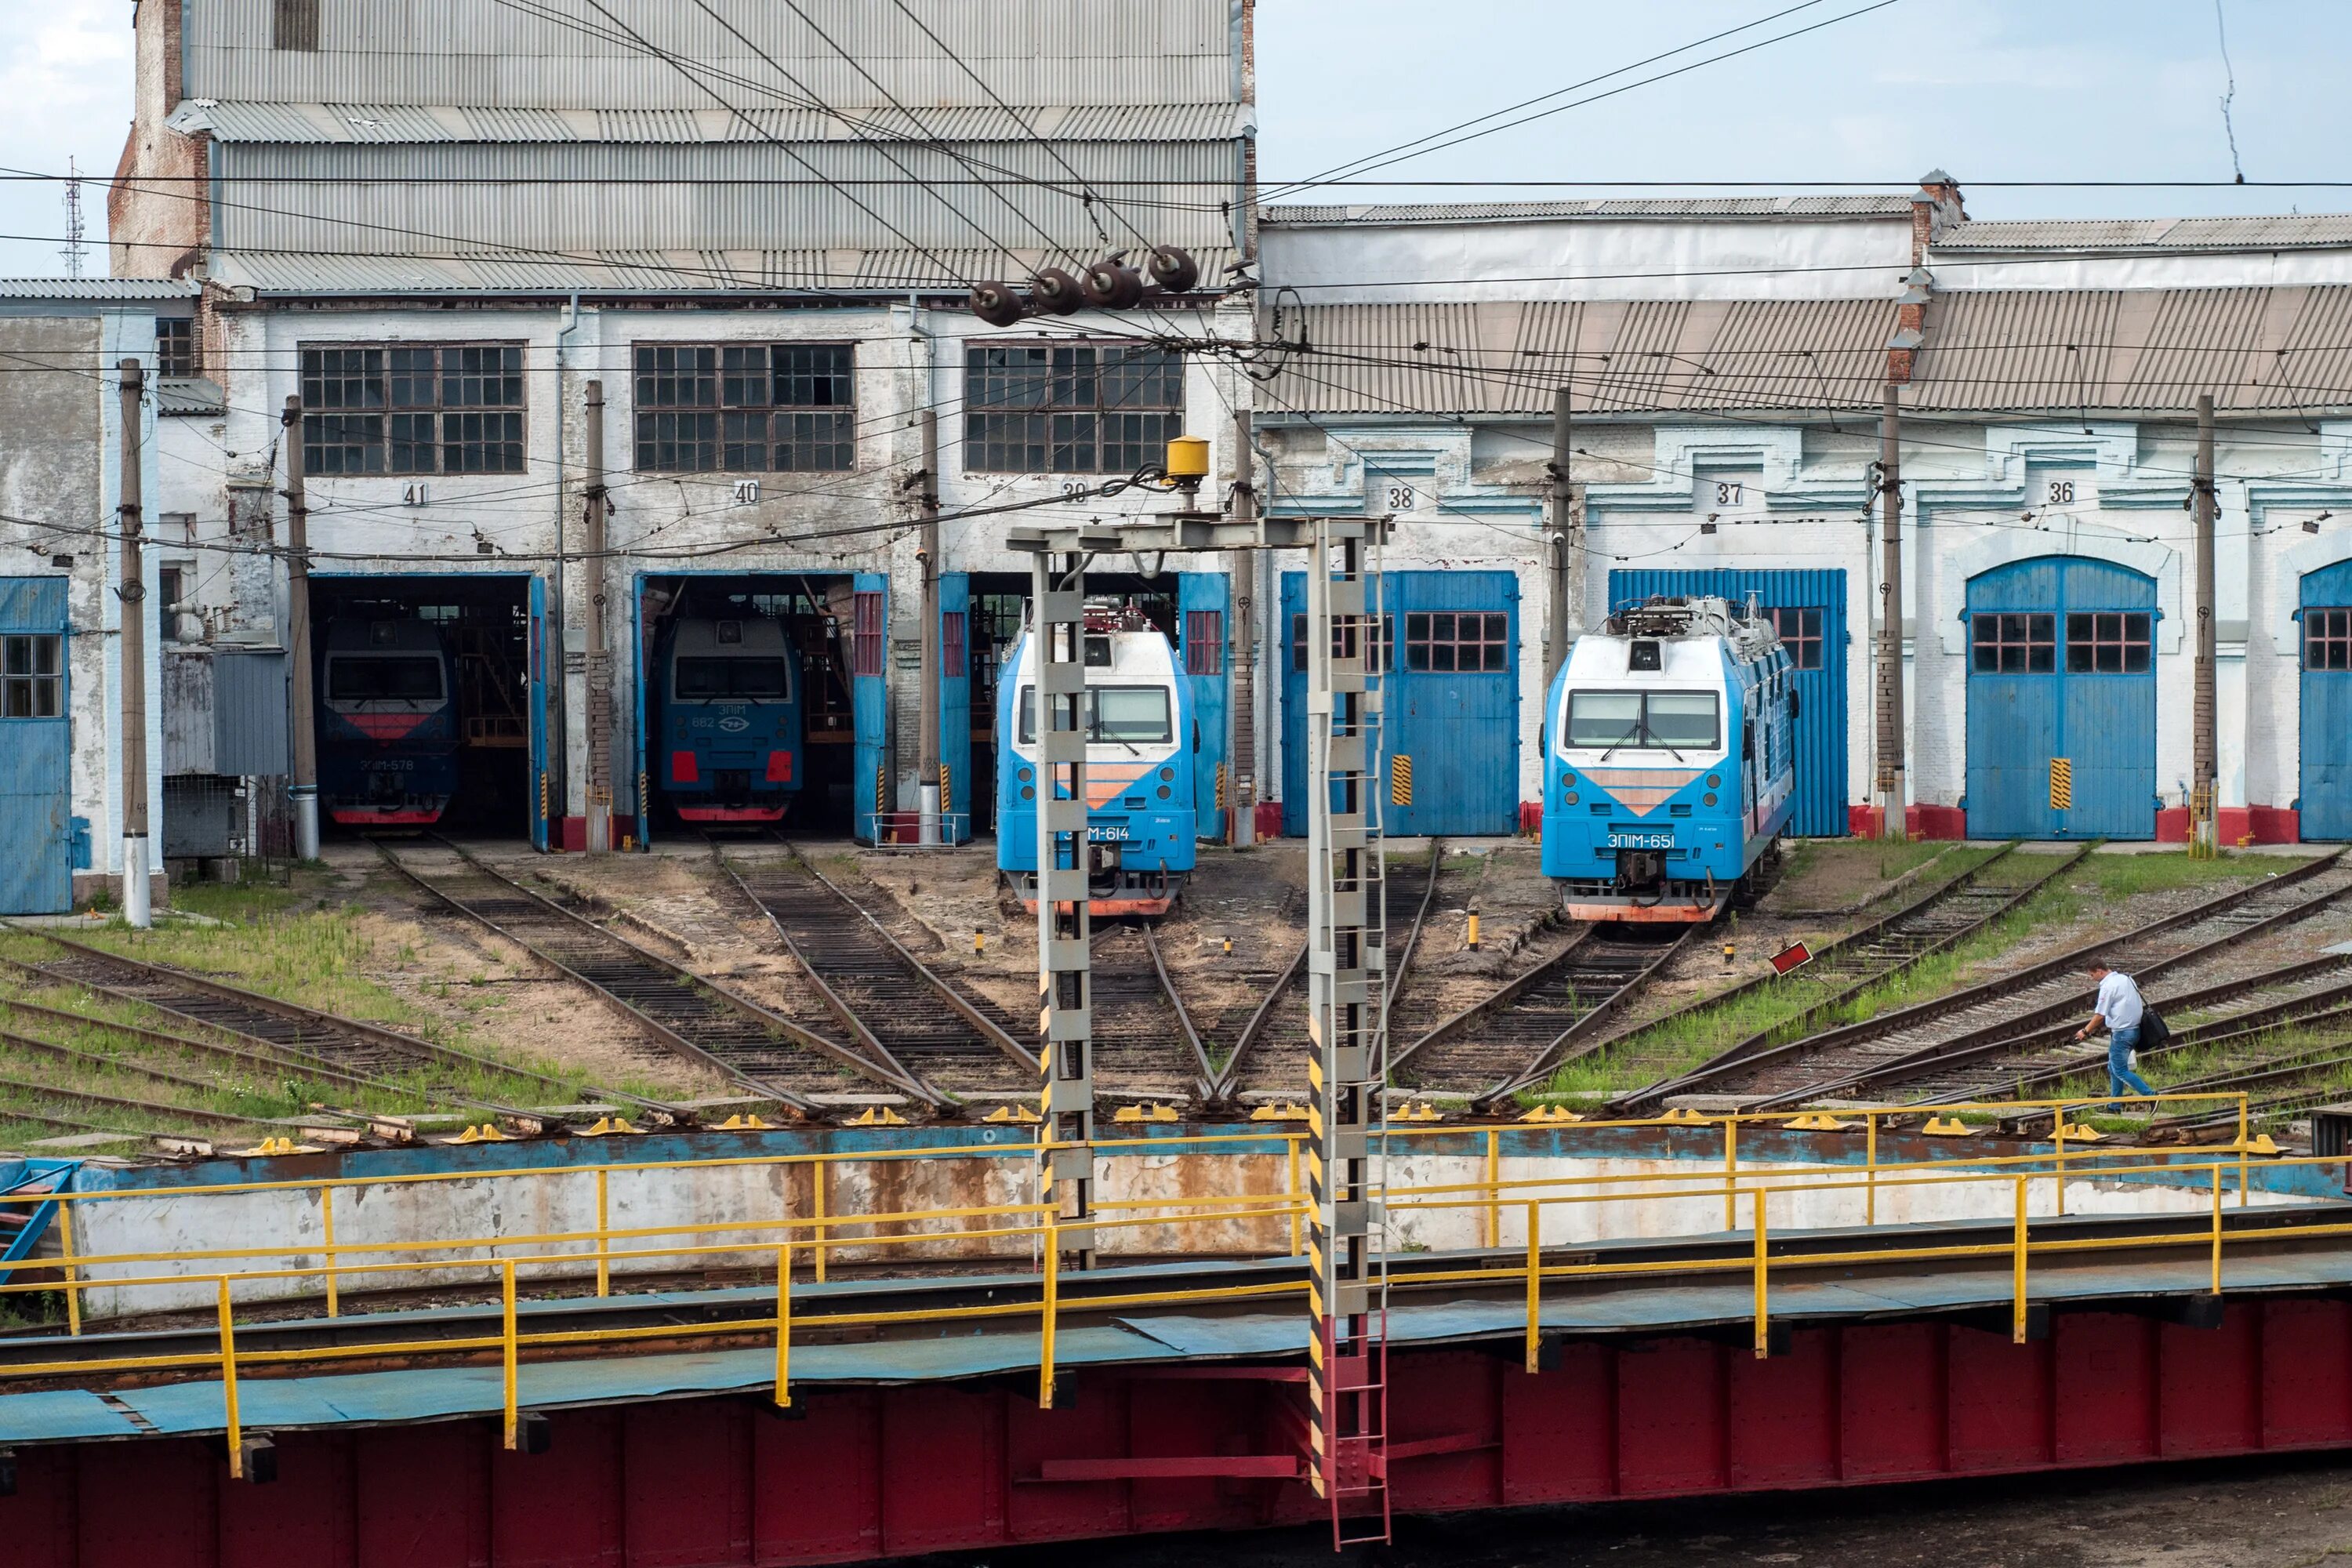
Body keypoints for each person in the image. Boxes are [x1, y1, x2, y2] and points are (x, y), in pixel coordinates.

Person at [2073, 957, 2155, 1108]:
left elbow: (2100, 1016)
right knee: (2113, 1068)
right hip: (2135, 1030)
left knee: (2120, 1070)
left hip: (2122, 1033)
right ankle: (2114, 1106)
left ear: (2099, 970)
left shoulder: (2108, 986)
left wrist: (2085, 1031)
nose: (2093, 979)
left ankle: (2152, 1096)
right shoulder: (2126, 978)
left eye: (2092, 975)